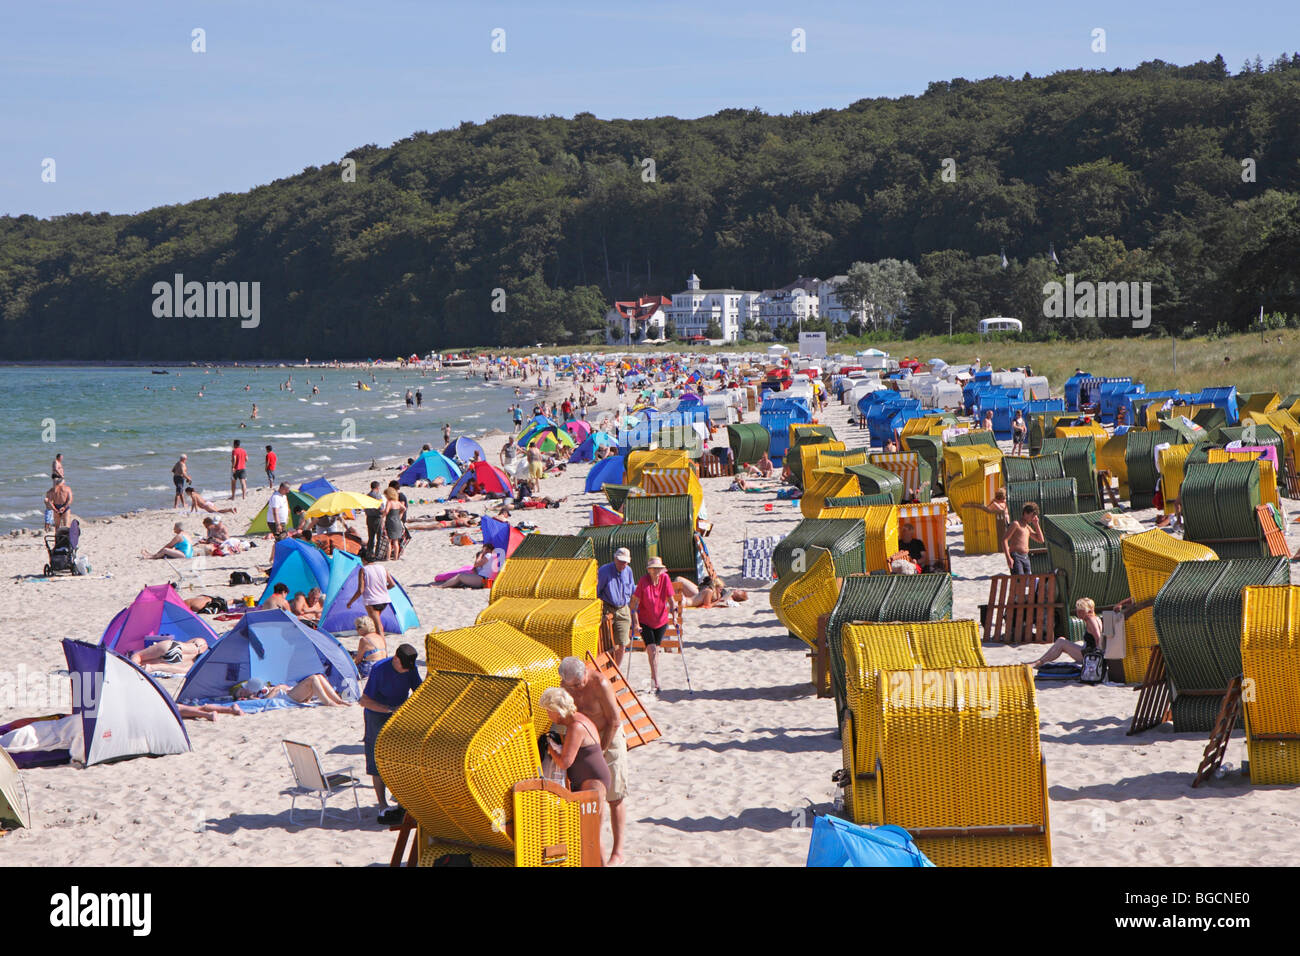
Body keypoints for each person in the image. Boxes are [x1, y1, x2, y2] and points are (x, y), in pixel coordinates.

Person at [557, 656, 626, 865]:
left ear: (585, 673)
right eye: (573, 686)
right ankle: (590, 849)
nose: (578, 688)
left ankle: (618, 852)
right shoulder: (565, 687)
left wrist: (602, 751)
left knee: (615, 796)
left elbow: (614, 721)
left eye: (580, 683)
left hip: (609, 736)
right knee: (587, 795)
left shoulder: (600, 684)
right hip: (585, 740)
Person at [359, 643, 423, 822]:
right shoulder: (379, 670)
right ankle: (382, 806)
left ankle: (402, 802)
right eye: (404, 667)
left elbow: (419, 691)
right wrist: (389, 710)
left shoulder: (410, 668)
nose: (406, 671)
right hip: (376, 717)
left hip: (398, 716)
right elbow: (364, 701)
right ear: (395, 659)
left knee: (399, 760)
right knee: (376, 762)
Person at [540, 686, 610, 826]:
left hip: (592, 781)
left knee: (590, 835)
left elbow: (565, 762)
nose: (548, 716)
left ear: (557, 711)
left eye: (548, 711)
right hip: (592, 778)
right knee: (587, 834)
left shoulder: (576, 726)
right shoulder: (578, 720)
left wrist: (550, 748)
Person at [630, 556, 674, 694]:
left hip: (661, 620)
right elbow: (634, 604)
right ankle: (656, 682)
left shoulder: (665, 579)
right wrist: (636, 623)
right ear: (649, 570)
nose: (656, 571)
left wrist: (674, 612)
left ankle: (654, 678)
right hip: (645, 621)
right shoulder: (643, 581)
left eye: (658, 569)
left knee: (655, 651)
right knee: (652, 649)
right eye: (654, 569)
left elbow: (671, 598)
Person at [1033, 598, 1105, 668]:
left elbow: (1098, 638)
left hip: (1089, 656)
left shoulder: (1091, 620)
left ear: (1089, 610)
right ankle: (1040, 661)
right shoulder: (1096, 618)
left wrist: (1097, 658)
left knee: (1061, 642)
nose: (1078, 613)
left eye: (1081, 611)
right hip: (1087, 652)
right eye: (1077, 610)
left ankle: (1039, 662)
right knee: (1061, 640)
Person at [597, 547, 637, 670]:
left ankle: (616, 671)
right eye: (620, 561)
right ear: (615, 559)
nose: (622, 564)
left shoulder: (628, 571)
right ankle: (606, 670)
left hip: (623, 609)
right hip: (607, 608)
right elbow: (596, 591)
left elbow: (631, 590)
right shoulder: (604, 571)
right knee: (606, 644)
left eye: (625, 562)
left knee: (622, 644)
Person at [347, 552, 397, 639]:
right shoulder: (382, 568)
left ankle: (382, 648)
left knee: (378, 627)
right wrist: (383, 589)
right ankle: (379, 645)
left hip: (372, 601)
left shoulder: (363, 570)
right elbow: (392, 584)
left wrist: (350, 602)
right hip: (384, 599)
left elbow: (360, 590)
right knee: (377, 623)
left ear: (364, 560)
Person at [233, 675, 350, 707]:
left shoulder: (261, 690)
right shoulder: (255, 698)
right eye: (241, 693)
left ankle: (338, 700)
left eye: (242, 691)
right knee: (313, 679)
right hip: (289, 696)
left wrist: (278, 688)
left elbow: (281, 687)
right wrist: (278, 688)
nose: (242, 692)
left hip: (289, 692)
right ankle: (329, 702)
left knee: (319, 676)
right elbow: (267, 701)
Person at [1003, 502, 1044, 575]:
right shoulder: (1016, 524)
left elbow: (1041, 540)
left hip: (1026, 557)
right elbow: (1004, 540)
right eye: (1032, 515)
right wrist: (1008, 557)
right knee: (1019, 582)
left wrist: (1036, 525)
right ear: (1025, 513)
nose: (1033, 518)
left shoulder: (1027, 527)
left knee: (1027, 582)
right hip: (1016, 556)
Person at [130, 637, 209, 673]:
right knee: (151, 663)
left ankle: (132, 666)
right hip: (182, 662)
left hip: (175, 647)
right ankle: (152, 667)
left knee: (138, 656)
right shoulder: (197, 666)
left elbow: (187, 642)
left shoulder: (202, 642)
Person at [363, 480, 384, 559]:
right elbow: (380, 508)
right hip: (377, 518)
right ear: (377, 487)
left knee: (371, 537)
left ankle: (369, 553)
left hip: (369, 518)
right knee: (379, 537)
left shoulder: (367, 496)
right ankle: (377, 554)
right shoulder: (377, 496)